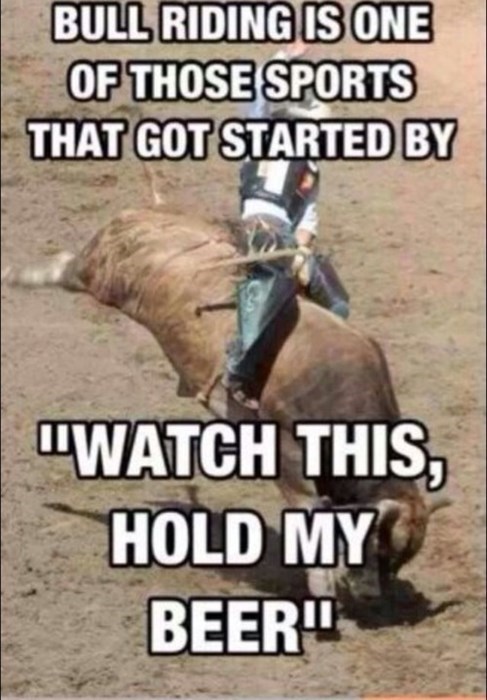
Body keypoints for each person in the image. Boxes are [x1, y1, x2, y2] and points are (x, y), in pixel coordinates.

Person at [224, 39, 350, 411]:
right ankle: (240, 368)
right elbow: (257, 92)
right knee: (274, 282)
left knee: (338, 301)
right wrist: (282, 58)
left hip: (286, 238)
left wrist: (302, 251)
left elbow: (308, 218)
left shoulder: (310, 170)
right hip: (258, 226)